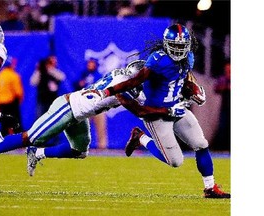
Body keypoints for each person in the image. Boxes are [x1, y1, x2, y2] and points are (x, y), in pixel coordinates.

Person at [93, 23, 230, 198]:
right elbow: (135, 84)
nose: (179, 51)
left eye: (182, 46)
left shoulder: (188, 58)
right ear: (167, 45)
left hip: (176, 108)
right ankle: (140, 137)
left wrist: (193, 89)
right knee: (175, 161)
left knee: (201, 144)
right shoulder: (157, 60)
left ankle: (210, 188)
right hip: (155, 113)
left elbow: (182, 78)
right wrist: (108, 91)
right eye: (175, 46)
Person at [0, 60, 184, 178]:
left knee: (79, 151)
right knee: (28, 137)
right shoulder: (121, 86)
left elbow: (147, 99)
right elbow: (141, 111)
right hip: (67, 108)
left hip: (80, 114)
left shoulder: (124, 79)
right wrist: (170, 111)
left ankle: (37, 153)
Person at [74, 58, 108, 149]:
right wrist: (80, 84)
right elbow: (76, 85)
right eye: (89, 63)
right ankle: (80, 147)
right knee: (83, 128)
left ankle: (102, 147)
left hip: (98, 105)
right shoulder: (84, 74)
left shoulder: (99, 75)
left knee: (101, 128)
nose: (90, 65)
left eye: (92, 64)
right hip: (86, 105)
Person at [0, 56, 24, 135]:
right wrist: (19, 101)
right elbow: (18, 92)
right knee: (16, 124)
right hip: (12, 104)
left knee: (4, 125)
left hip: (2, 104)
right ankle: (18, 141)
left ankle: (4, 143)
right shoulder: (13, 76)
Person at [212, 60, 231, 151]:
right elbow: (216, 88)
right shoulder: (223, 79)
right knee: (223, 127)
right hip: (225, 107)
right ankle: (222, 148)